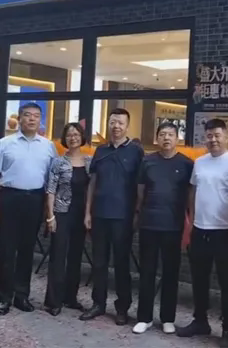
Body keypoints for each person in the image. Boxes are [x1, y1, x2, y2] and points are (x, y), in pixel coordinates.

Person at [176, 119, 228, 348]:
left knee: (227, 283)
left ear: (226, 136)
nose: (213, 139)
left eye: (217, 135)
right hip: (200, 230)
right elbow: (193, 192)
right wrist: (192, 221)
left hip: (225, 232)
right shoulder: (200, 162)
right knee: (199, 279)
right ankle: (200, 321)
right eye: (209, 135)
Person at [0, 102, 57, 316]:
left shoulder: (48, 146)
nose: (32, 119)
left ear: (40, 120)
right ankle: (4, 298)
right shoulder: (4, 143)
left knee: (27, 250)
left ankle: (22, 296)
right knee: (7, 249)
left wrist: (49, 211)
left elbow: (52, 181)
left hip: (35, 199)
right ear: (19, 118)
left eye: (36, 115)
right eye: (27, 115)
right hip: (10, 198)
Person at [81, 108, 144, 325]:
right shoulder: (101, 151)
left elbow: (140, 186)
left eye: (120, 123)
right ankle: (98, 304)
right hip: (99, 215)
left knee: (121, 264)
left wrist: (137, 212)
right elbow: (93, 182)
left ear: (127, 126)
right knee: (99, 262)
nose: (116, 126)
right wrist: (87, 211)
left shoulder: (136, 152)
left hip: (123, 217)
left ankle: (122, 308)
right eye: (112, 122)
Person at [132, 121, 194, 335]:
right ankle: (144, 317)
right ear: (156, 138)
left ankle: (168, 318)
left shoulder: (186, 164)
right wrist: (138, 215)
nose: (166, 138)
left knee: (171, 273)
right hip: (149, 223)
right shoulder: (147, 161)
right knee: (147, 272)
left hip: (174, 226)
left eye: (170, 134)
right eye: (162, 134)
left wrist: (189, 221)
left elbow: (190, 195)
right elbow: (140, 192)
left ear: (177, 138)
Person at [43, 123, 91, 316]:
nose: (73, 138)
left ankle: (71, 297)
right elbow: (50, 190)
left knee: (75, 257)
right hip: (61, 213)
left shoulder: (89, 161)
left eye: (76, 134)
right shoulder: (58, 162)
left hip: (81, 214)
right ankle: (53, 301)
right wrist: (50, 216)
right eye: (69, 135)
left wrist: (89, 214)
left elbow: (91, 189)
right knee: (58, 256)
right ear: (65, 139)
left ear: (82, 137)